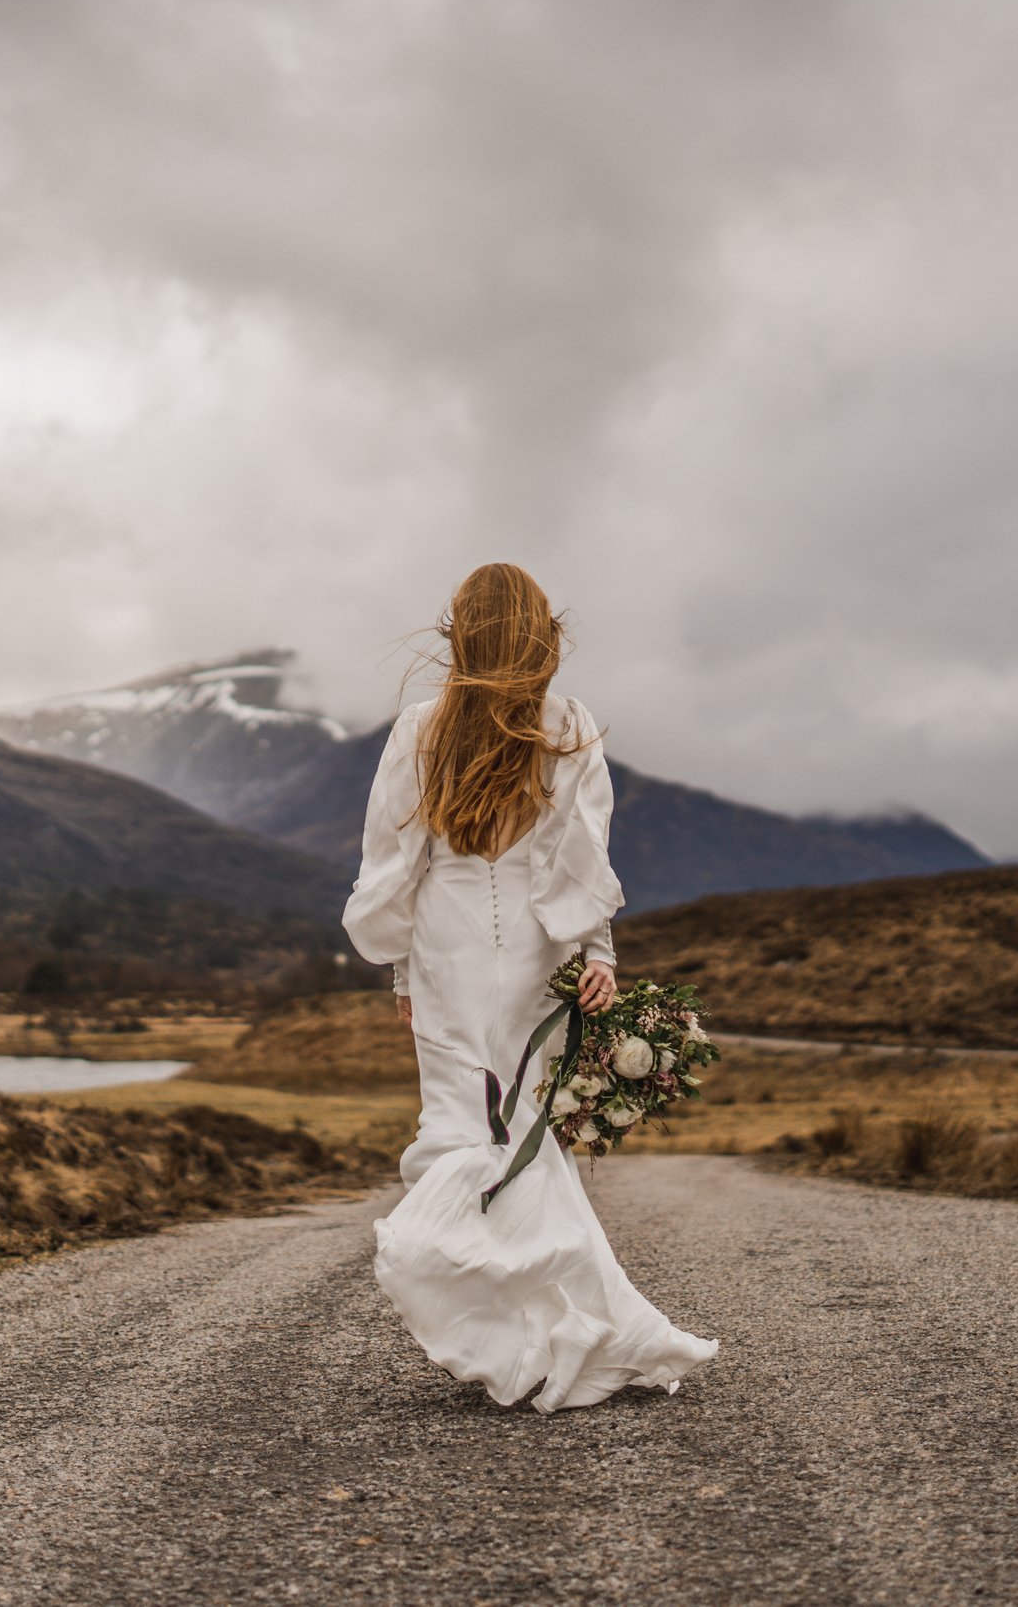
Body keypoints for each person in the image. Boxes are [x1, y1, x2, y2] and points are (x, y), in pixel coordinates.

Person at [342, 562, 720, 1413]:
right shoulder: (569, 725)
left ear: (463, 633)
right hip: (537, 949)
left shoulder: (418, 729)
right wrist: (598, 951)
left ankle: (502, 1320)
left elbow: (396, 863)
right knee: (521, 1127)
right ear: (538, 633)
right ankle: (549, 1328)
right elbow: (583, 859)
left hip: (445, 945)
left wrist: (403, 966)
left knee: (459, 1122)